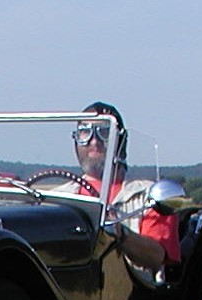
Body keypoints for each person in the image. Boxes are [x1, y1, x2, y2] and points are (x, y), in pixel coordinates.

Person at [71, 101, 180, 273]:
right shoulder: (57, 197)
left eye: (105, 132)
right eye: (84, 132)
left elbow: (157, 256)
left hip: (133, 293)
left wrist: (119, 232)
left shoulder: (148, 196)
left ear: (120, 140)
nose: (94, 141)